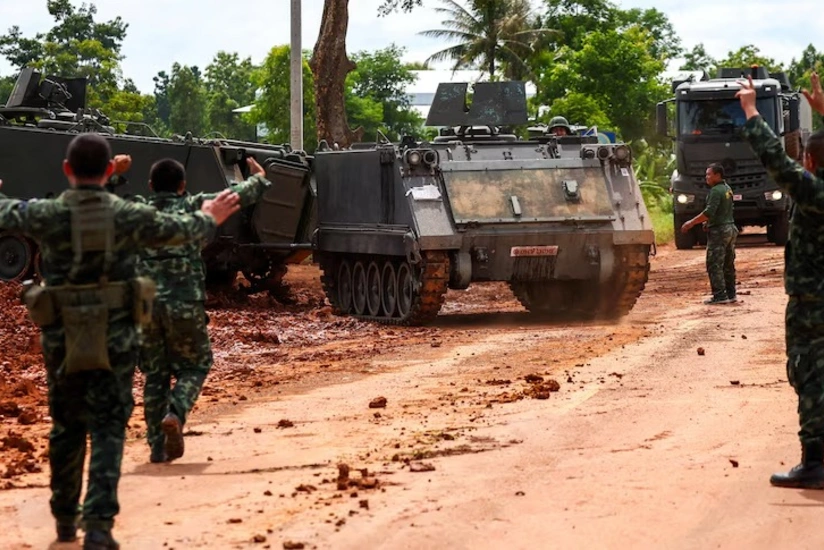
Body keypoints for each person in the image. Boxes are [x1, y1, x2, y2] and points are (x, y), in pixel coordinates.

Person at [0, 133, 241, 549]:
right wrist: (211, 216)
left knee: (66, 427)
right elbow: (181, 228)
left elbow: (6, 213)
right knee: (110, 428)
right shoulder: (127, 215)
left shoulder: (47, 214)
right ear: (110, 170)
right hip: (116, 337)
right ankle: (98, 526)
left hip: (63, 337)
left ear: (66, 170)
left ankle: (63, 519)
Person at [135, 156, 273, 464]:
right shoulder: (194, 205)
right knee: (195, 366)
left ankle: (157, 447)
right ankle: (176, 412)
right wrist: (259, 177)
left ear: (150, 186)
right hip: (184, 303)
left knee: (155, 375)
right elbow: (238, 196)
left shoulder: (139, 213)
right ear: (183, 186)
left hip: (145, 308)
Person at [737, 71, 824, 489]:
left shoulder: (813, 194)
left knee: (810, 374)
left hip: (813, 305)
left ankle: (815, 462)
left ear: (808, 161)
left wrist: (751, 110)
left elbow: (774, 157)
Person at [679, 163, 738, 304]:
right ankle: (731, 294)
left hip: (719, 232)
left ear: (717, 175)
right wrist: (708, 223)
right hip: (730, 228)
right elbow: (724, 210)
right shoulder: (727, 189)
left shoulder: (716, 191)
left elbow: (709, 212)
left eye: (709, 174)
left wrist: (691, 223)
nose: (707, 177)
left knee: (714, 264)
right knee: (728, 264)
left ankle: (720, 296)